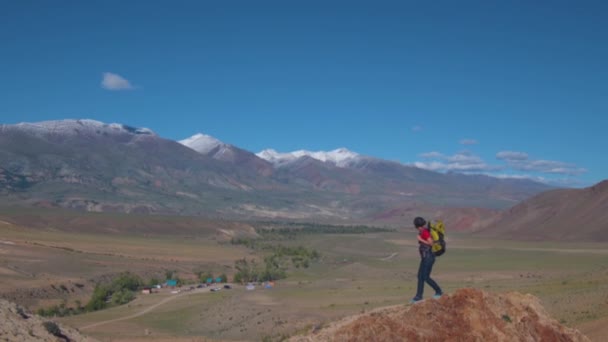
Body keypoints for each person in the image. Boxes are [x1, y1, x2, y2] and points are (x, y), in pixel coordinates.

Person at [411, 216, 443, 303]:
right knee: (420, 276)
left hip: (428, 257)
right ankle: (418, 296)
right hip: (426, 258)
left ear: (417, 226)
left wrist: (420, 239)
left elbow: (431, 243)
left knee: (425, 277)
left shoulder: (424, 232)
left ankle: (439, 291)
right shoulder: (423, 231)